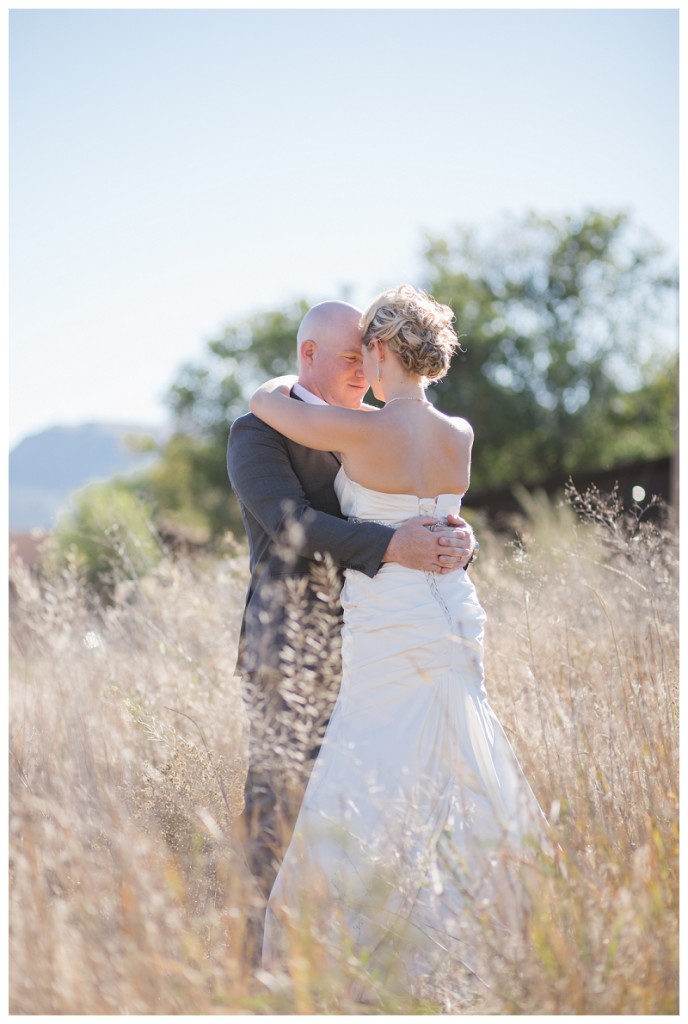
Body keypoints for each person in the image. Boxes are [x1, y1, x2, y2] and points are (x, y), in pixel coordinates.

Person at [249, 285, 548, 986]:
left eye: (366, 353)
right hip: (448, 608)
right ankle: (477, 934)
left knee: (373, 766)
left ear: (382, 350)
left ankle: (366, 943)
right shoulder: (461, 434)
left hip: (389, 617)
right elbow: (442, 517)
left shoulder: (361, 432)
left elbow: (268, 405)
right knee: (457, 762)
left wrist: (282, 376)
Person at [226, 299, 475, 952]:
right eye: (348, 357)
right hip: (292, 646)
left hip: (381, 646)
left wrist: (456, 537)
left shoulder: (374, 427)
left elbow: (419, 507)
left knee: (371, 804)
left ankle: (356, 954)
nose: (364, 368)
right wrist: (392, 546)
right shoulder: (258, 433)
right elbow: (288, 525)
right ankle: (256, 960)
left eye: (368, 354)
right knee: (281, 806)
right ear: (307, 356)